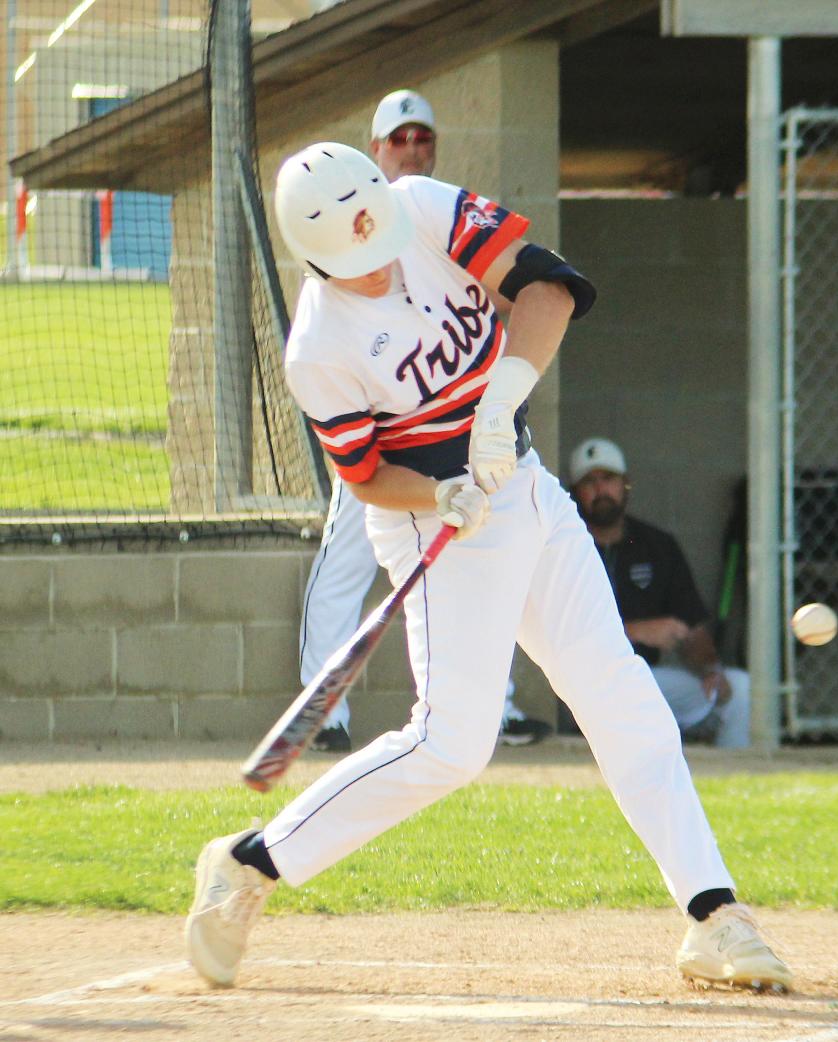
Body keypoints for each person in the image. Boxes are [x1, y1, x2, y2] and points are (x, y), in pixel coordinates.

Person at [184, 141, 791, 994]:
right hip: (442, 527)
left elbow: (547, 289)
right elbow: (365, 476)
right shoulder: (318, 348)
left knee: (621, 695)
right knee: (453, 745)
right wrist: (438, 497)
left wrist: (502, 397)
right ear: (316, 257)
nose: (381, 258)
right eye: (357, 258)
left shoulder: (423, 208)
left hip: (527, 485)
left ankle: (712, 915)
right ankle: (249, 861)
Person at [301, 88, 548, 752]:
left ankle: (495, 705)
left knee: (493, 553)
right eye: (399, 140)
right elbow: (367, 474)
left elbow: (515, 292)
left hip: (462, 429)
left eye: (422, 139)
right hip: (383, 444)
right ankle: (325, 711)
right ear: (375, 151)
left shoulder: (434, 209)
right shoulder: (341, 254)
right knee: (346, 564)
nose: (412, 149)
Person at [564, 437, 751, 748]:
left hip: (648, 679)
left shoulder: (656, 544)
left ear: (626, 484)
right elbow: (561, 638)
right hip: (585, 685)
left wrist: (710, 668)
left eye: (608, 479)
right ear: (575, 492)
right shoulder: (564, 548)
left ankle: (732, 780)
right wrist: (634, 632)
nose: (600, 490)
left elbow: (691, 627)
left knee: (740, 689)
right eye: (589, 482)